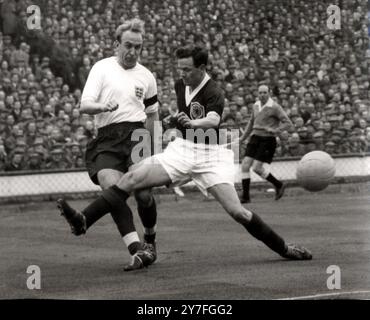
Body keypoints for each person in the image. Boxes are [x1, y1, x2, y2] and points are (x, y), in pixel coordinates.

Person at [58, 46, 312, 271]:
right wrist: (174, 122)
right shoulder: (182, 84)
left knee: (238, 212)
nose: (182, 74)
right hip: (183, 151)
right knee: (134, 179)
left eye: (187, 69)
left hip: (211, 155)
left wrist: (193, 122)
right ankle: (84, 221)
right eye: (179, 69)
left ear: (201, 68)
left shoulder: (214, 91)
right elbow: (183, 112)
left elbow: (213, 120)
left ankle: (284, 248)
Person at [57, 19, 159, 271]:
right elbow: (84, 105)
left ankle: (150, 240)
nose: (133, 51)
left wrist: (155, 149)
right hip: (108, 137)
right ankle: (137, 250)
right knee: (111, 188)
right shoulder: (101, 68)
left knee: (144, 195)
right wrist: (101, 107)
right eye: (128, 45)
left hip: (138, 136)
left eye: (138, 47)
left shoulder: (146, 76)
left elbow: (153, 115)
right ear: (116, 44)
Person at [238, 85, 294, 203]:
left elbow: (288, 124)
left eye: (264, 92)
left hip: (267, 140)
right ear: (257, 94)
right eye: (260, 92)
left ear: (269, 93)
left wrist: (276, 130)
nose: (262, 95)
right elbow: (251, 122)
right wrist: (243, 138)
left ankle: (278, 185)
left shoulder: (274, 107)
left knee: (257, 168)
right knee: (245, 165)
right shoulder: (255, 105)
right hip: (255, 138)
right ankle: (246, 197)